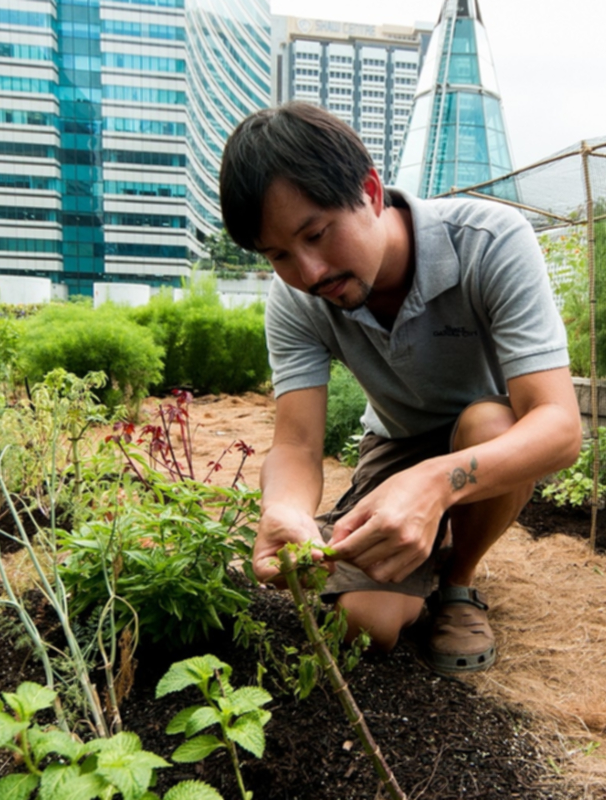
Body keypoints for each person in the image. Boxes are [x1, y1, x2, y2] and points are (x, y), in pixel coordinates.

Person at [219, 102, 581, 673]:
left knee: (490, 423)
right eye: (279, 255)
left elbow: (559, 428)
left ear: (370, 190)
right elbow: (295, 445)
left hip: (485, 438)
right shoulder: (295, 301)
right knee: (365, 628)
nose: (310, 273)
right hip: (397, 442)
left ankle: (457, 583)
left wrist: (435, 485)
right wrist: (284, 509)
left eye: (316, 234)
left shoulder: (488, 241)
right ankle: (419, 555)